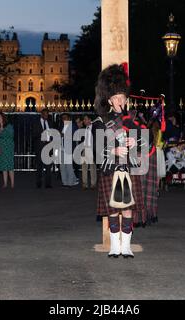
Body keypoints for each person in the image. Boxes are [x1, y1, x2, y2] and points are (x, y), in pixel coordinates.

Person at [93, 63, 146, 259]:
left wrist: (136, 141)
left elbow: (145, 143)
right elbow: (97, 150)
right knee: (113, 210)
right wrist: (113, 150)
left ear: (126, 99)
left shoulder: (133, 119)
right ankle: (115, 246)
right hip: (111, 169)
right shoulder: (100, 121)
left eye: (122, 98)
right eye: (115, 98)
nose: (119, 101)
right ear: (109, 99)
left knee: (129, 210)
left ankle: (127, 246)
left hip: (129, 168)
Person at [32, 108, 53, 189]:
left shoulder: (50, 123)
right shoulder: (36, 123)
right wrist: (42, 134)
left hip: (48, 147)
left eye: (47, 114)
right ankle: (39, 183)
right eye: (45, 114)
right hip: (40, 147)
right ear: (41, 114)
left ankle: (48, 184)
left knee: (48, 167)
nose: (46, 115)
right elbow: (33, 135)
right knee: (39, 167)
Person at [0, 112, 15, 189]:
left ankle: (12, 184)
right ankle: (5, 183)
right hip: (1, 147)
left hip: (9, 147)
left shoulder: (9, 126)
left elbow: (11, 135)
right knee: (3, 166)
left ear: (3, 118)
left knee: (10, 165)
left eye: (0, 117)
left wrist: (3, 129)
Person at [59, 113, 79, 187]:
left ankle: (70, 183)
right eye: (63, 118)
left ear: (69, 119)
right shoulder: (61, 126)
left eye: (65, 117)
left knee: (69, 166)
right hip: (62, 148)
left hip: (69, 148)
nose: (64, 119)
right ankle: (65, 182)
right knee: (62, 167)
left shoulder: (73, 126)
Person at [81, 115, 97, 190]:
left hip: (91, 149)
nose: (84, 121)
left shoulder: (94, 128)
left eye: (85, 119)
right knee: (84, 167)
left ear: (90, 120)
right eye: (84, 119)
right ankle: (85, 184)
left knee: (92, 167)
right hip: (85, 148)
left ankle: (93, 184)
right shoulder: (85, 128)